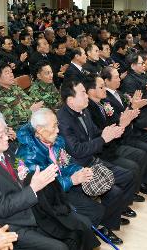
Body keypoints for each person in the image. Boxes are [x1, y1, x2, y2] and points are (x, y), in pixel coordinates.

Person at [0, 114, 70, 250]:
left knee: (72, 231)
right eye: (1, 135)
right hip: (10, 224)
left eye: (6, 132)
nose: (6, 137)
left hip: (28, 210)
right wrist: (33, 187)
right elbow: (2, 208)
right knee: (59, 247)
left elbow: (22, 180)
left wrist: (36, 181)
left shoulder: (6, 151)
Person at [57, 80, 136, 244]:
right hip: (78, 168)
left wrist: (116, 129)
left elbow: (95, 133)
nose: (87, 95)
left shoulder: (83, 111)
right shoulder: (62, 119)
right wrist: (103, 139)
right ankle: (106, 226)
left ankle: (113, 212)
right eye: (83, 93)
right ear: (70, 100)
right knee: (114, 192)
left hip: (92, 160)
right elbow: (76, 150)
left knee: (128, 176)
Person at [16, 108, 101, 250]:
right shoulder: (29, 155)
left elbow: (64, 166)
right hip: (46, 202)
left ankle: (83, 238)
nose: (58, 130)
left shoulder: (55, 141)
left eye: (57, 125)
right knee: (89, 215)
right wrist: (72, 180)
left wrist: (79, 171)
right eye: (54, 126)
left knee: (96, 209)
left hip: (62, 188)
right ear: (40, 130)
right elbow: (45, 187)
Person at [0, 62, 43, 130]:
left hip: (33, 120)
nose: (11, 75)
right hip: (20, 129)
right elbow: (10, 121)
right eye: (7, 73)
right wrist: (30, 111)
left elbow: (29, 100)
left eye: (11, 72)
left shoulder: (14, 87)